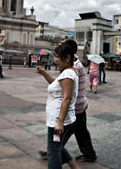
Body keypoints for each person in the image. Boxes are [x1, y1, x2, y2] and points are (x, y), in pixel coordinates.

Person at [34, 40, 80, 169]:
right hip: (60, 121)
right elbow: (56, 83)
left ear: (67, 58)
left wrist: (59, 122)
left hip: (58, 122)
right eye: (55, 56)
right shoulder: (67, 73)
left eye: (58, 57)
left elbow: (67, 98)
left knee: (53, 153)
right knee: (57, 146)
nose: (55, 60)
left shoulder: (68, 74)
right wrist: (44, 73)